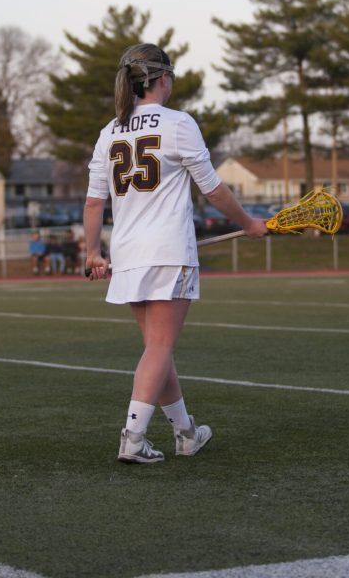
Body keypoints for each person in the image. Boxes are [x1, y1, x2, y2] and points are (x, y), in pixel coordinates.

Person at [84, 43, 266, 464]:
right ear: (162, 79)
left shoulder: (109, 131)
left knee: (156, 348)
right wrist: (249, 224)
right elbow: (213, 189)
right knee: (160, 347)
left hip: (127, 252)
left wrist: (93, 252)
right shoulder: (178, 123)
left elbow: (94, 203)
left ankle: (186, 433)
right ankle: (132, 438)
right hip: (168, 251)